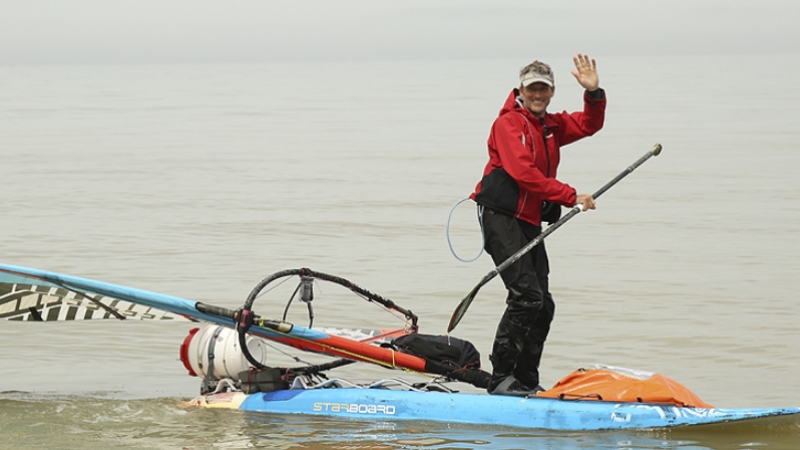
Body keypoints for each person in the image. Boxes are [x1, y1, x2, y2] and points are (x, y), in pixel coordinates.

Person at [470, 54, 606, 396]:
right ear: (521, 90)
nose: (538, 94)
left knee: (543, 305)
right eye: (532, 88)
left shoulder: (550, 125)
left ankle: (527, 381)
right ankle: (501, 378)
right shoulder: (508, 125)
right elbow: (523, 174)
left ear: (552, 91)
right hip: (501, 219)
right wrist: (570, 195)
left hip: (528, 221)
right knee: (526, 298)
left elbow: (589, 125)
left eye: (543, 89)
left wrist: (593, 93)